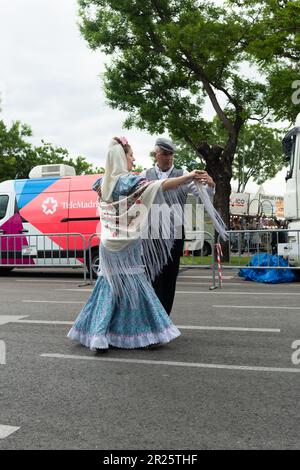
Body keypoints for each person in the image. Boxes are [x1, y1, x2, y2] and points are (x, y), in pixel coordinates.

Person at [67, 137, 207, 351]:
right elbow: (159, 186)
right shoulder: (129, 181)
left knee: (108, 288)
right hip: (127, 244)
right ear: (121, 158)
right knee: (137, 287)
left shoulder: (101, 183)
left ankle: (98, 333)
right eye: (130, 155)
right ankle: (149, 331)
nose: (133, 159)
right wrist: (187, 176)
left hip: (108, 243)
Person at [140, 137, 218, 315]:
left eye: (171, 154)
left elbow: (202, 195)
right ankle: (152, 318)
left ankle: (164, 318)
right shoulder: (146, 174)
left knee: (169, 276)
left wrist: (211, 186)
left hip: (174, 232)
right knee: (152, 275)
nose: (168, 158)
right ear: (156, 154)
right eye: (164, 154)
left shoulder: (184, 174)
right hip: (151, 232)